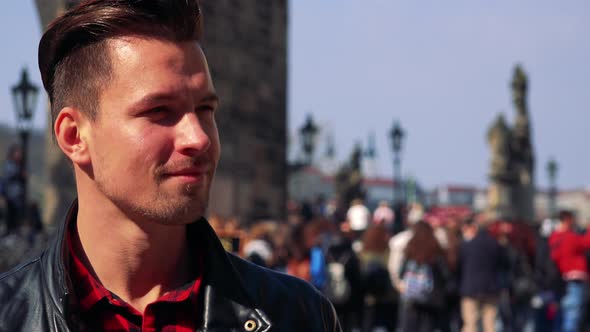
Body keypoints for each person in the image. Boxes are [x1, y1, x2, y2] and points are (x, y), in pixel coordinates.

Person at [0, 1, 341, 331]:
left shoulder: (299, 316)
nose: (199, 138)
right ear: (74, 136)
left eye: (205, 109)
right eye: (159, 111)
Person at [458, 213, 507, 332]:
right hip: (491, 287)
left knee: (470, 324)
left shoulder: (467, 245)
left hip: (470, 288)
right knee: (490, 324)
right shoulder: (495, 244)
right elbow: (503, 264)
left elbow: (459, 265)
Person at [549, 210, 590, 332]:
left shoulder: (555, 237)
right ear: (567, 220)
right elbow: (586, 242)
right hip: (574, 279)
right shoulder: (569, 237)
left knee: (565, 313)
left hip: (562, 279)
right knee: (573, 314)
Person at [1, 144, 26, 235]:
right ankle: (10, 232)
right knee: (11, 215)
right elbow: (8, 177)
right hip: (11, 195)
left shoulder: (18, 165)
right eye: (17, 153)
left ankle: (15, 231)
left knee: (17, 215)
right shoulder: (9, 165)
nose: (19, 155)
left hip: (17, 195)